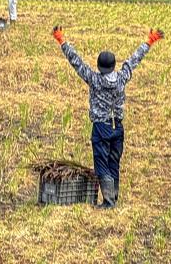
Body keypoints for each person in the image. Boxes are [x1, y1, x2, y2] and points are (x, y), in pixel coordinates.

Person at [54, 25, 163, 208]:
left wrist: (62, 41)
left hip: (101, 128)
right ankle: (115, 194)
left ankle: (108, 201)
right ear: (114, 66)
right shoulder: (122, 78)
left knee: (101, 164)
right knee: (114, 161)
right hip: (117, 127)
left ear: (98, 67)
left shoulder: (94, 79)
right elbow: (134, 59)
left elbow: (77, 62)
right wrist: (149, 41)